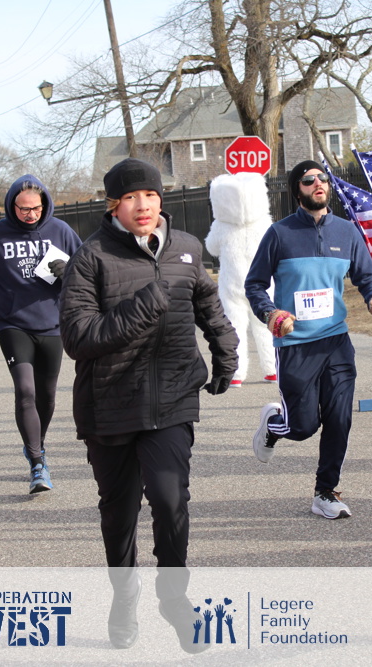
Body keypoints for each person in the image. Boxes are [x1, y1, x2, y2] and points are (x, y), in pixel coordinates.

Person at [59, 157, 238, 652]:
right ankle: (124, 594)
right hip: (110, 404)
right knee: (119, 514)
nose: (143, 205)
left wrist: (225, 351)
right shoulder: (90, 258)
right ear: (113, 205)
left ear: (161, 199)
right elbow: (78, 337)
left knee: (170, 497)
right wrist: (146, 303)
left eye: (151, 195)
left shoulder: (186, 248)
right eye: (131, 197)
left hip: (173, 397)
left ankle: (174, 599)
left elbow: (208, 304)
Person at [245, 160, 372, 520]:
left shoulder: (346, 232)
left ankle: (325, 492)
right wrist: (271, 314)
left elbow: (366, 275)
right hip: (295, 345)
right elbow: (255, 284)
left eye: (323, 178)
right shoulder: (279, 234)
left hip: (336, 341)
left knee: (340, 419)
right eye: (309, 180)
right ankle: (274, 424)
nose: (318, 184)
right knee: (303, 427)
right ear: (297, 190)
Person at [0, 174, 82, 494]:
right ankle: (37, 462)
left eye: (36, 209)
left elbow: (87, 269)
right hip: (12, 323)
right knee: (26, 389)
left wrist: (69, 272)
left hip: (53, 323)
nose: (31, 215)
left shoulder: (61, 231)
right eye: (24, 209)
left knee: (47, 394)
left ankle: (36, 443)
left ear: (45, 205)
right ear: (12, 205)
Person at [204, 171, 277, 387]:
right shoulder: (264, 223)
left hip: (232, 284)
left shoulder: (221, 225)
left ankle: (236, 373)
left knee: (234, 328)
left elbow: (212, 248)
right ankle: (272, 369)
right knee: (265, 324)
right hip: (262, 284)